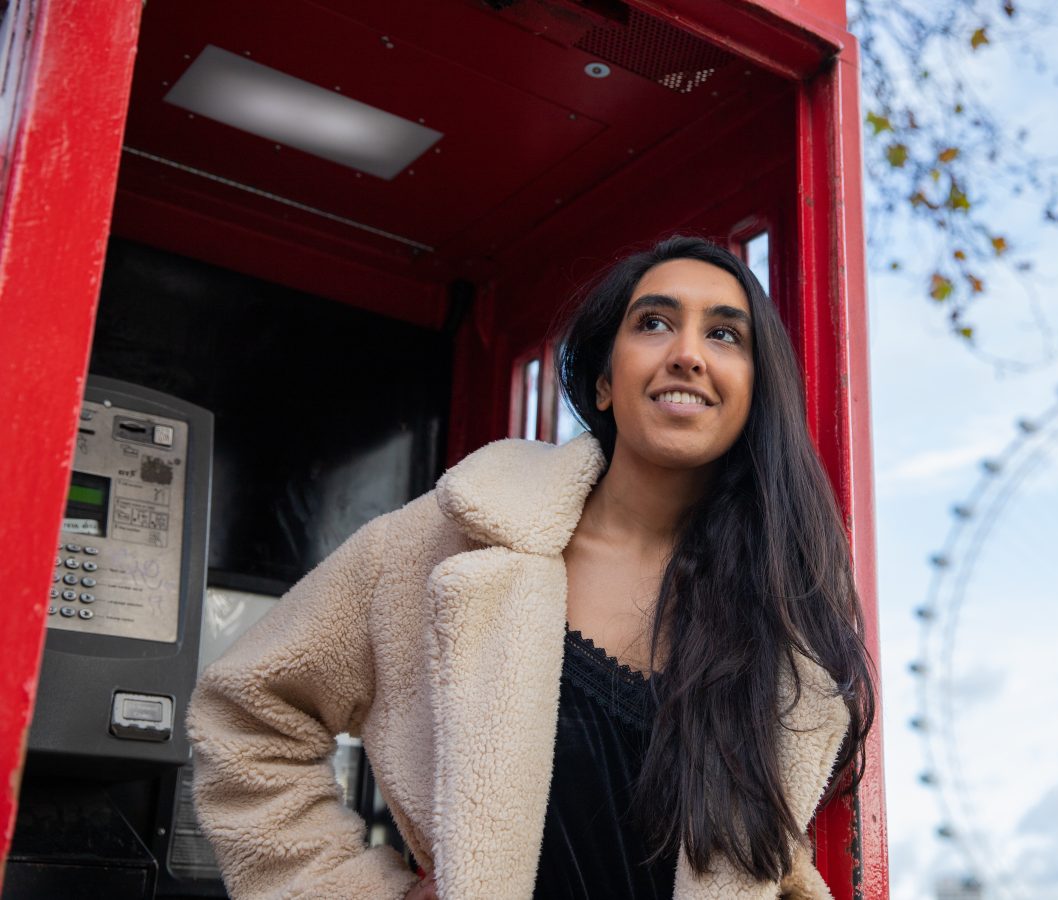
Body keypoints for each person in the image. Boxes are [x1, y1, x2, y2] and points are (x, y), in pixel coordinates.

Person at [187, 236, 875, 900]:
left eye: (725, 335)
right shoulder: (449, 539)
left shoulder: (778, 610)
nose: (688, 354)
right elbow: (247, 711)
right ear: (605, 382)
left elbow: (768, 864)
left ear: (755, 392)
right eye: (655, 323)